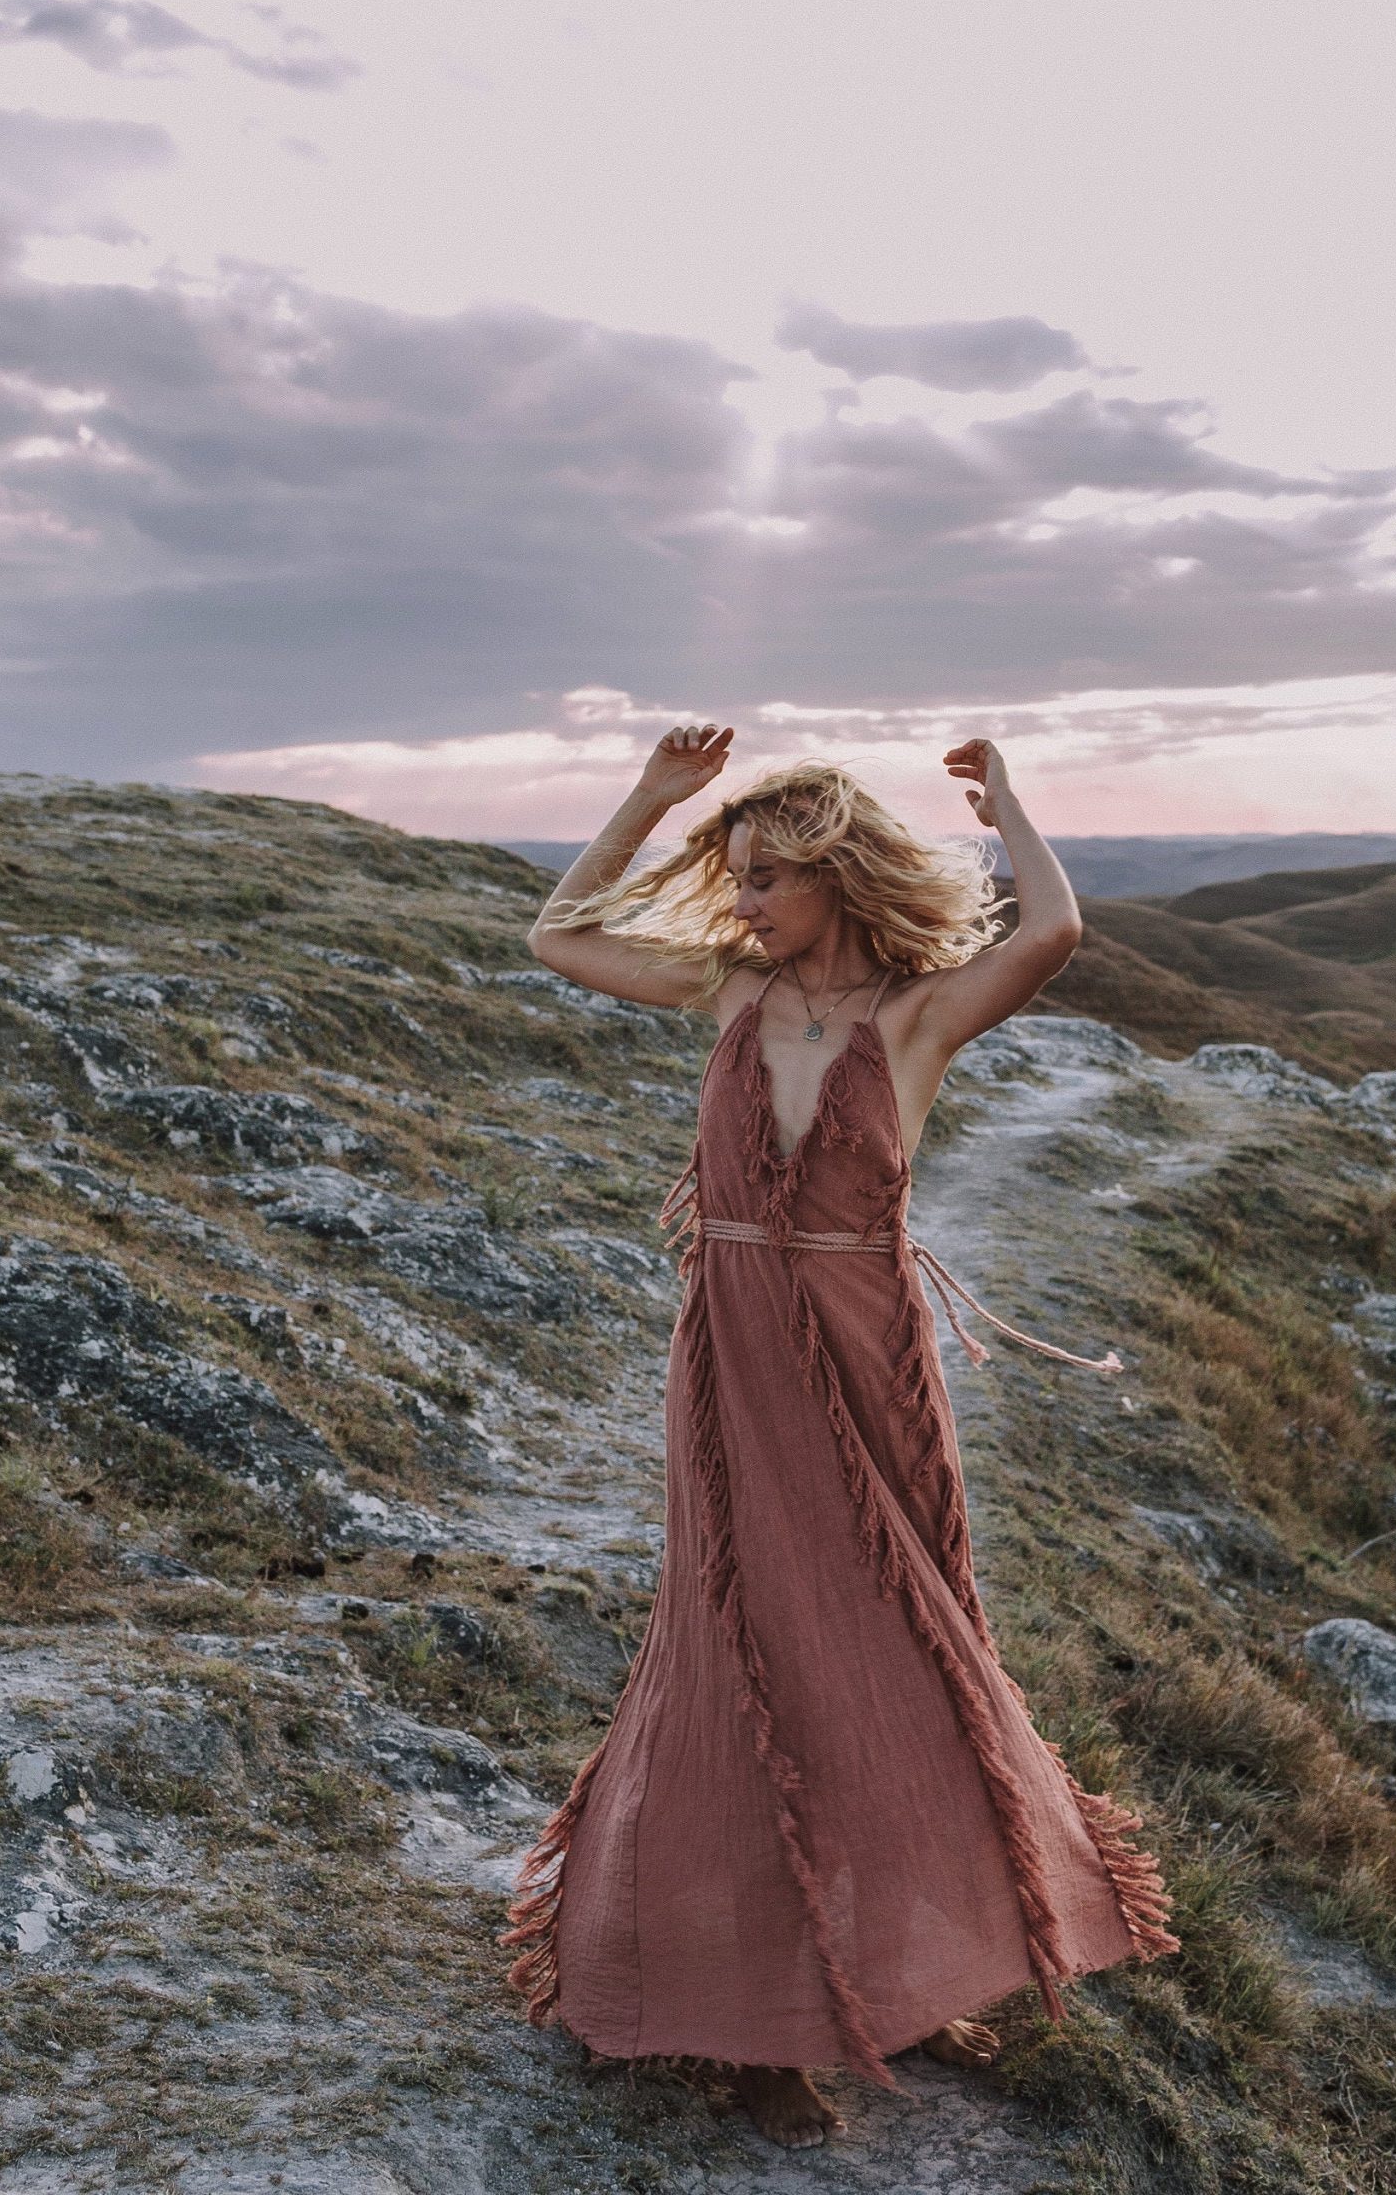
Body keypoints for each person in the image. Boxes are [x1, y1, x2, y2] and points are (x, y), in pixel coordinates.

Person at [503, 726, 1178, 2149]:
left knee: (896, 1656)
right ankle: (764, 2031)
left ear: (835, 875)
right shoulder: (727, 988)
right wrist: (653, 798)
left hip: (869, 1357)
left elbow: (1054, 928)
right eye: (736, 878)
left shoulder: (917, 1017)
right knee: (756, 1651)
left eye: (765, 879)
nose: (742, 903)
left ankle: (901, 1970)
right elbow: (556, 933)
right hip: (737, 1348)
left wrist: (1006, 809)